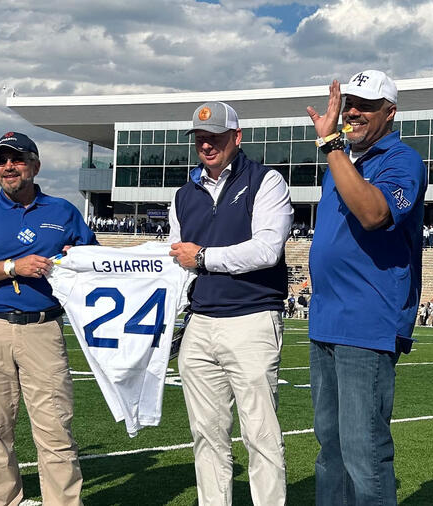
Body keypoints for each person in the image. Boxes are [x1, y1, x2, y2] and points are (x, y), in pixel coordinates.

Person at [0, 131, 96, 506]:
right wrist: (12, 267)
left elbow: (95, 264)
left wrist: (77, 258)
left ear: (35, 165)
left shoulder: (63, 211)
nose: (8, 167)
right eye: (1, 161)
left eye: (16, 159)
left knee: (55, 430)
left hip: (43, 329)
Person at [305, 70, 427, 505]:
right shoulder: (342, 161)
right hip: (325, 321)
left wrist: (332, 146)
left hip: (367, 322)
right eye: (350, 103)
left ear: (390, 112)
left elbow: (375, 214)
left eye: (366, 105)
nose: (353, 112)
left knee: (363, 450)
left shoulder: (402, 160)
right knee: (330, 449)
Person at [168, 101, 292, 505]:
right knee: (206, 436)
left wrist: (204, 257)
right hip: (201, 321)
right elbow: (175, 262)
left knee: (261, 435)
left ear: (237, 137)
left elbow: (266, 250)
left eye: (216, 136)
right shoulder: (183, 195)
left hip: (253, 318)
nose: (207, 145)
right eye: (200, 138)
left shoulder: (266, 180)